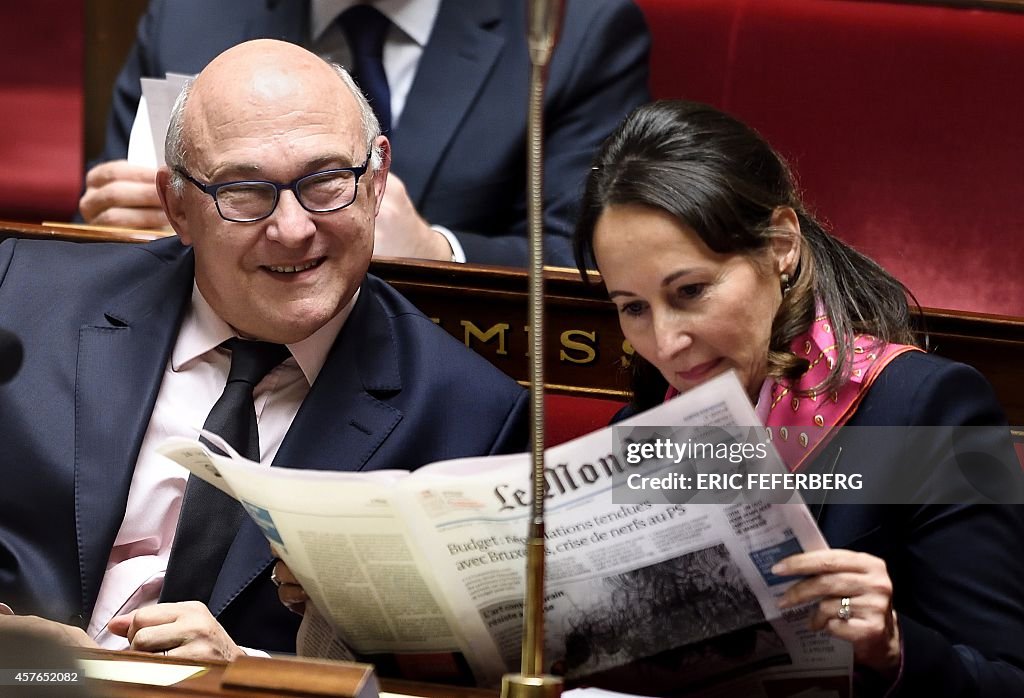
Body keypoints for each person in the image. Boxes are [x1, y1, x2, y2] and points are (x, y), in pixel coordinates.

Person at [0, 39, 528, 660]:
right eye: (245, 191)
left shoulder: (471, 419)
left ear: (377, 179)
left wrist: (251, 677)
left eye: (326, 180)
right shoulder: (21, 298)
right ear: (178, 207)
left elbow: (464, 681)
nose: (294, 229)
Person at [571, 100, 1024, 695]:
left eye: (690, 290)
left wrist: (893, 648)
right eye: (632, 306)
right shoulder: (647, 424)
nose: (665, 342)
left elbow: (1008, 679)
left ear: (782, 243)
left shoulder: (933, 407)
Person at [80, 0, 651, 266]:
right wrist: (125, 228)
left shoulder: (569, 33)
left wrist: (438, 253)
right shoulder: (192, 16)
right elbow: (111, 236)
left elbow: (594, 261)